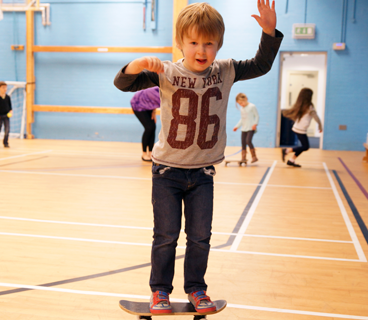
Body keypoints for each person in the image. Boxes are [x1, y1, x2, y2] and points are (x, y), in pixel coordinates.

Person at [114, 0, 282, 314]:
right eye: (193, 42)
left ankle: (196, 289)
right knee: (165, 236)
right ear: (180, 43)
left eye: (209, 43)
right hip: (167, 173)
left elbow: (261, 64)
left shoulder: (226, 70)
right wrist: (136, 65)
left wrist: (269, 33)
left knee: (200, 237)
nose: (201, 50)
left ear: (218, 44)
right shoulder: (167, 71)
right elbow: (123, 83)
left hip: (203, 174)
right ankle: (160, 291)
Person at [281, 87, 323, 167]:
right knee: (305, 147)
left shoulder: (302, 105)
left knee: (303, 146)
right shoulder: (309, 107)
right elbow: (316, 118)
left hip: (297, 128)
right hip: (300, 129)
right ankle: (287, 150)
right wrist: (320, 127)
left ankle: (291, 160)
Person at [130, 86, 161, 161]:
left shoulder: (162, 92)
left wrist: (153, 112)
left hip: (148, 105)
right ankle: (144, 153)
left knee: (153, 127)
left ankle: (150, 152)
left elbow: (154, 101)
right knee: (149, 127)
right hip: (138, 105)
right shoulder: (160, 91)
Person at [232, 93, 259, 163]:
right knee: (243, 142)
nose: (241, 105)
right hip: (244, 128)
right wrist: (237, 126)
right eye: (239, 104)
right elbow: (242, 119)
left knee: (248, 141)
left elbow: (257, 116)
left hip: (251, 128)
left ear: (246, 99)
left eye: (241, 103)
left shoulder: (252, 106)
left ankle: (254, 157)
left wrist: (255, 124)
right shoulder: (242, 109)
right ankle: (243, 158)